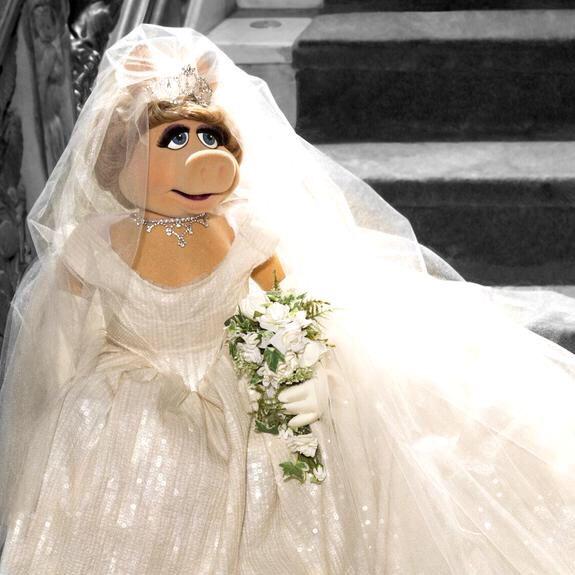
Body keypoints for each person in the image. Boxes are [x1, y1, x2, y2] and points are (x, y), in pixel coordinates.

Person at [0, 23, 574, 574]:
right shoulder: (95, 245)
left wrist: (301, 365)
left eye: (211, 137)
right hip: (127, 400)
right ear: (119, 156)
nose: (201, 155)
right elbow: (59, 338)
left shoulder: (242, 231)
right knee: (110, 505)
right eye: (175, 139)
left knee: (280, 496)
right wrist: (54, 399)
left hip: (232, 380)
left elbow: (289, 306)